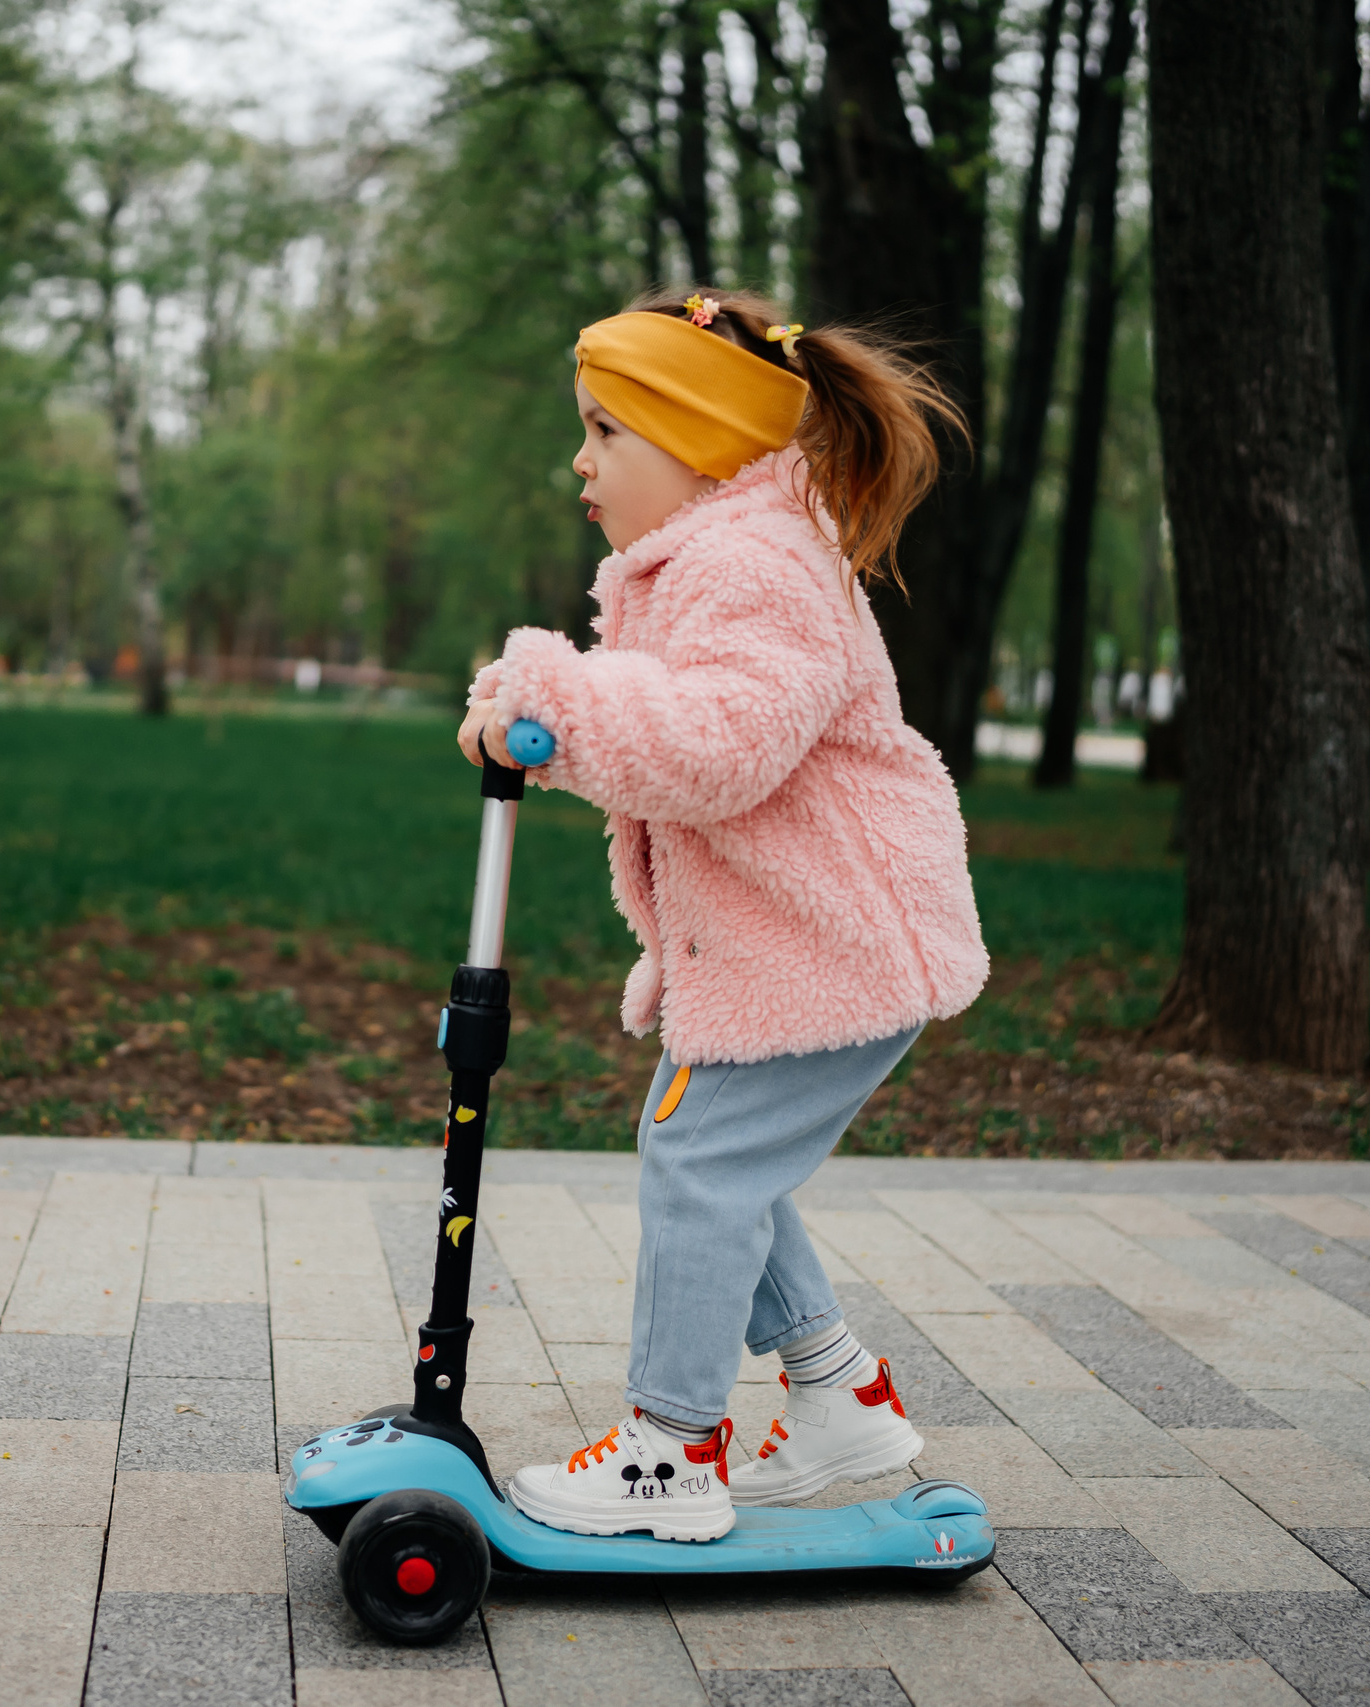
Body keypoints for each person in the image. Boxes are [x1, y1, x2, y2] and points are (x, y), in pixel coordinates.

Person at [456, 288, 987, 1542]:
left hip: (836, 944)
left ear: (697, 440)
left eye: (604, 431)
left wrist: (553, 700)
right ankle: (837, 1392)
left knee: (698, 1162)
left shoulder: (753, 564)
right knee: (719, 1165)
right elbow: (656, 704)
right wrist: (552, 706)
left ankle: (670, 1452)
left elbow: (714, 746)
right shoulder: (713, 557)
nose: (578, 462)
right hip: (799, 944)